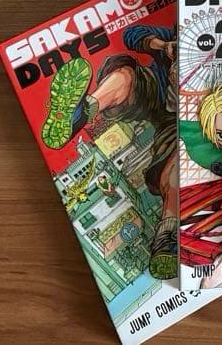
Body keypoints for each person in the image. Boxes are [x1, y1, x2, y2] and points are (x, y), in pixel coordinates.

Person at [40, 24, 179, 280]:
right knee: (125, 75)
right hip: (158, 97)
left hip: (186, 123)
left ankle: (168, 237)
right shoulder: (175, 36)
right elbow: (132, 35)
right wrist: (163, 46)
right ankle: (80, 114)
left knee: (176, 168)